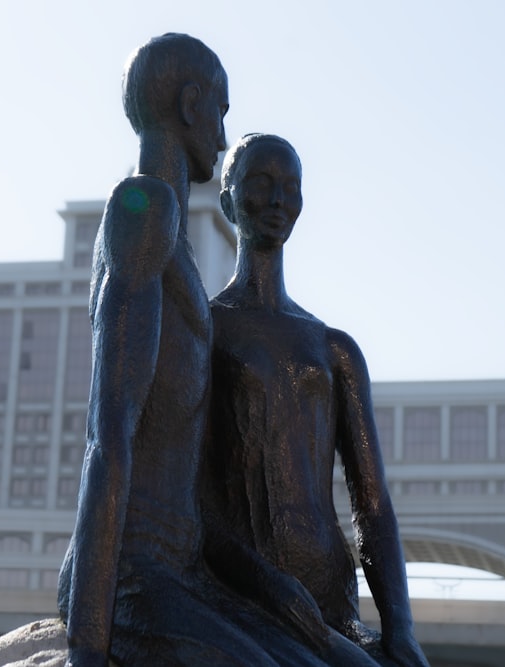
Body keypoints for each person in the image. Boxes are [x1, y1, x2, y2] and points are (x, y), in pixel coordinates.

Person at [57, 36, 340, 667]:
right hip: (135, 576)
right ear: (191, 105)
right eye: (221, 110)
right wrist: (85, 642)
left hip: (189, 571)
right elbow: (110, 435)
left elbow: (190, 483)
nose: (223, 132)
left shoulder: (179, 248)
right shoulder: (144, 208)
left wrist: (270, 584)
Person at [204, 133, 429, 667]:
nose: (278, 200)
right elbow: (190, 496)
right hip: (243, 590)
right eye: (261, 183)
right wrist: (268, 585)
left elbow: (372, 507)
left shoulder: (334, 349)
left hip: (329, 594)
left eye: (291, 187)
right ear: (227, 198)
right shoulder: (206, 332)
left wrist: (400, 629)